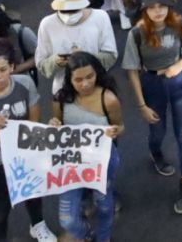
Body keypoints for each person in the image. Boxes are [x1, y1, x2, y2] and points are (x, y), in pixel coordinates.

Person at [121, 0, 182, 214]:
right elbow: (131, 71)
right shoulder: (137, 33)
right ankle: (155, 153)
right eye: (152, 7)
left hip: (178, 82)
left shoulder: (179, 24)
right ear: (145, 10)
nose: (158, 11)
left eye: (162, 6)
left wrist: (181, 63)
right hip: (152, 83)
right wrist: (140, 105)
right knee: (157, 131)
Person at [0, 39, 54, 242]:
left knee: (32, 194)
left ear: (12, 67)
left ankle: (38, 225)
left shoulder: (25, 84)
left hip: (24, 153)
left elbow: (34, 122)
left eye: (3, 70)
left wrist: (2, 136)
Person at [51, 53, 123, 242]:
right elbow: (56, 125)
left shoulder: (108, 99)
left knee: (104, 206)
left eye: (90, 77)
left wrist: (115, 131)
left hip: (102, 162)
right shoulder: (61, 99)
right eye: (78, 79)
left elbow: (120, 126)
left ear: (97, 73)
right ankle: (86, 234)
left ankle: (103, 238)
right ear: (69, 79)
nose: (85, 84)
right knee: (67, 219)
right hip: (72, 164)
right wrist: (54, 125)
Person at [35, 0, 117, 93]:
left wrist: (85, 58)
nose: (68, 15)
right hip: (64, 89)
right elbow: (41, 64)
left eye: (73, 10)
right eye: (64, 11)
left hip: (96, 86)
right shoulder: (47, 24)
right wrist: (56, 61)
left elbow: (111, 56)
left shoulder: (100, 17)